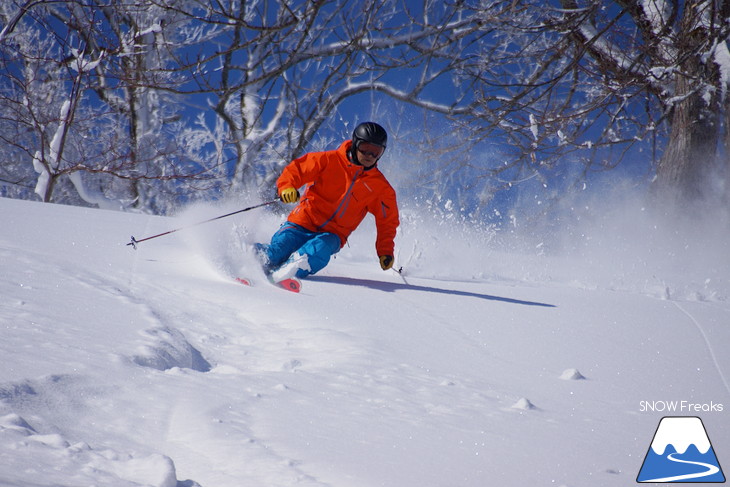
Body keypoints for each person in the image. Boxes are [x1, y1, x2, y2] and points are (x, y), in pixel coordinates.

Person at [257, 122, 400, 281]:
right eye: (365, 148)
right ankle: (245, 261)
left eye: (376, 152)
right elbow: (297, 170)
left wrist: (385, 250)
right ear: (355, 144)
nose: (369, 155)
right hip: (303, 221)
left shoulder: (380, 188)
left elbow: (387, 221)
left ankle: (286, 274)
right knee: (279, 250)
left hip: (333, 234)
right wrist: (287, 187)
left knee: (318, 250)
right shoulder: (328, 160)